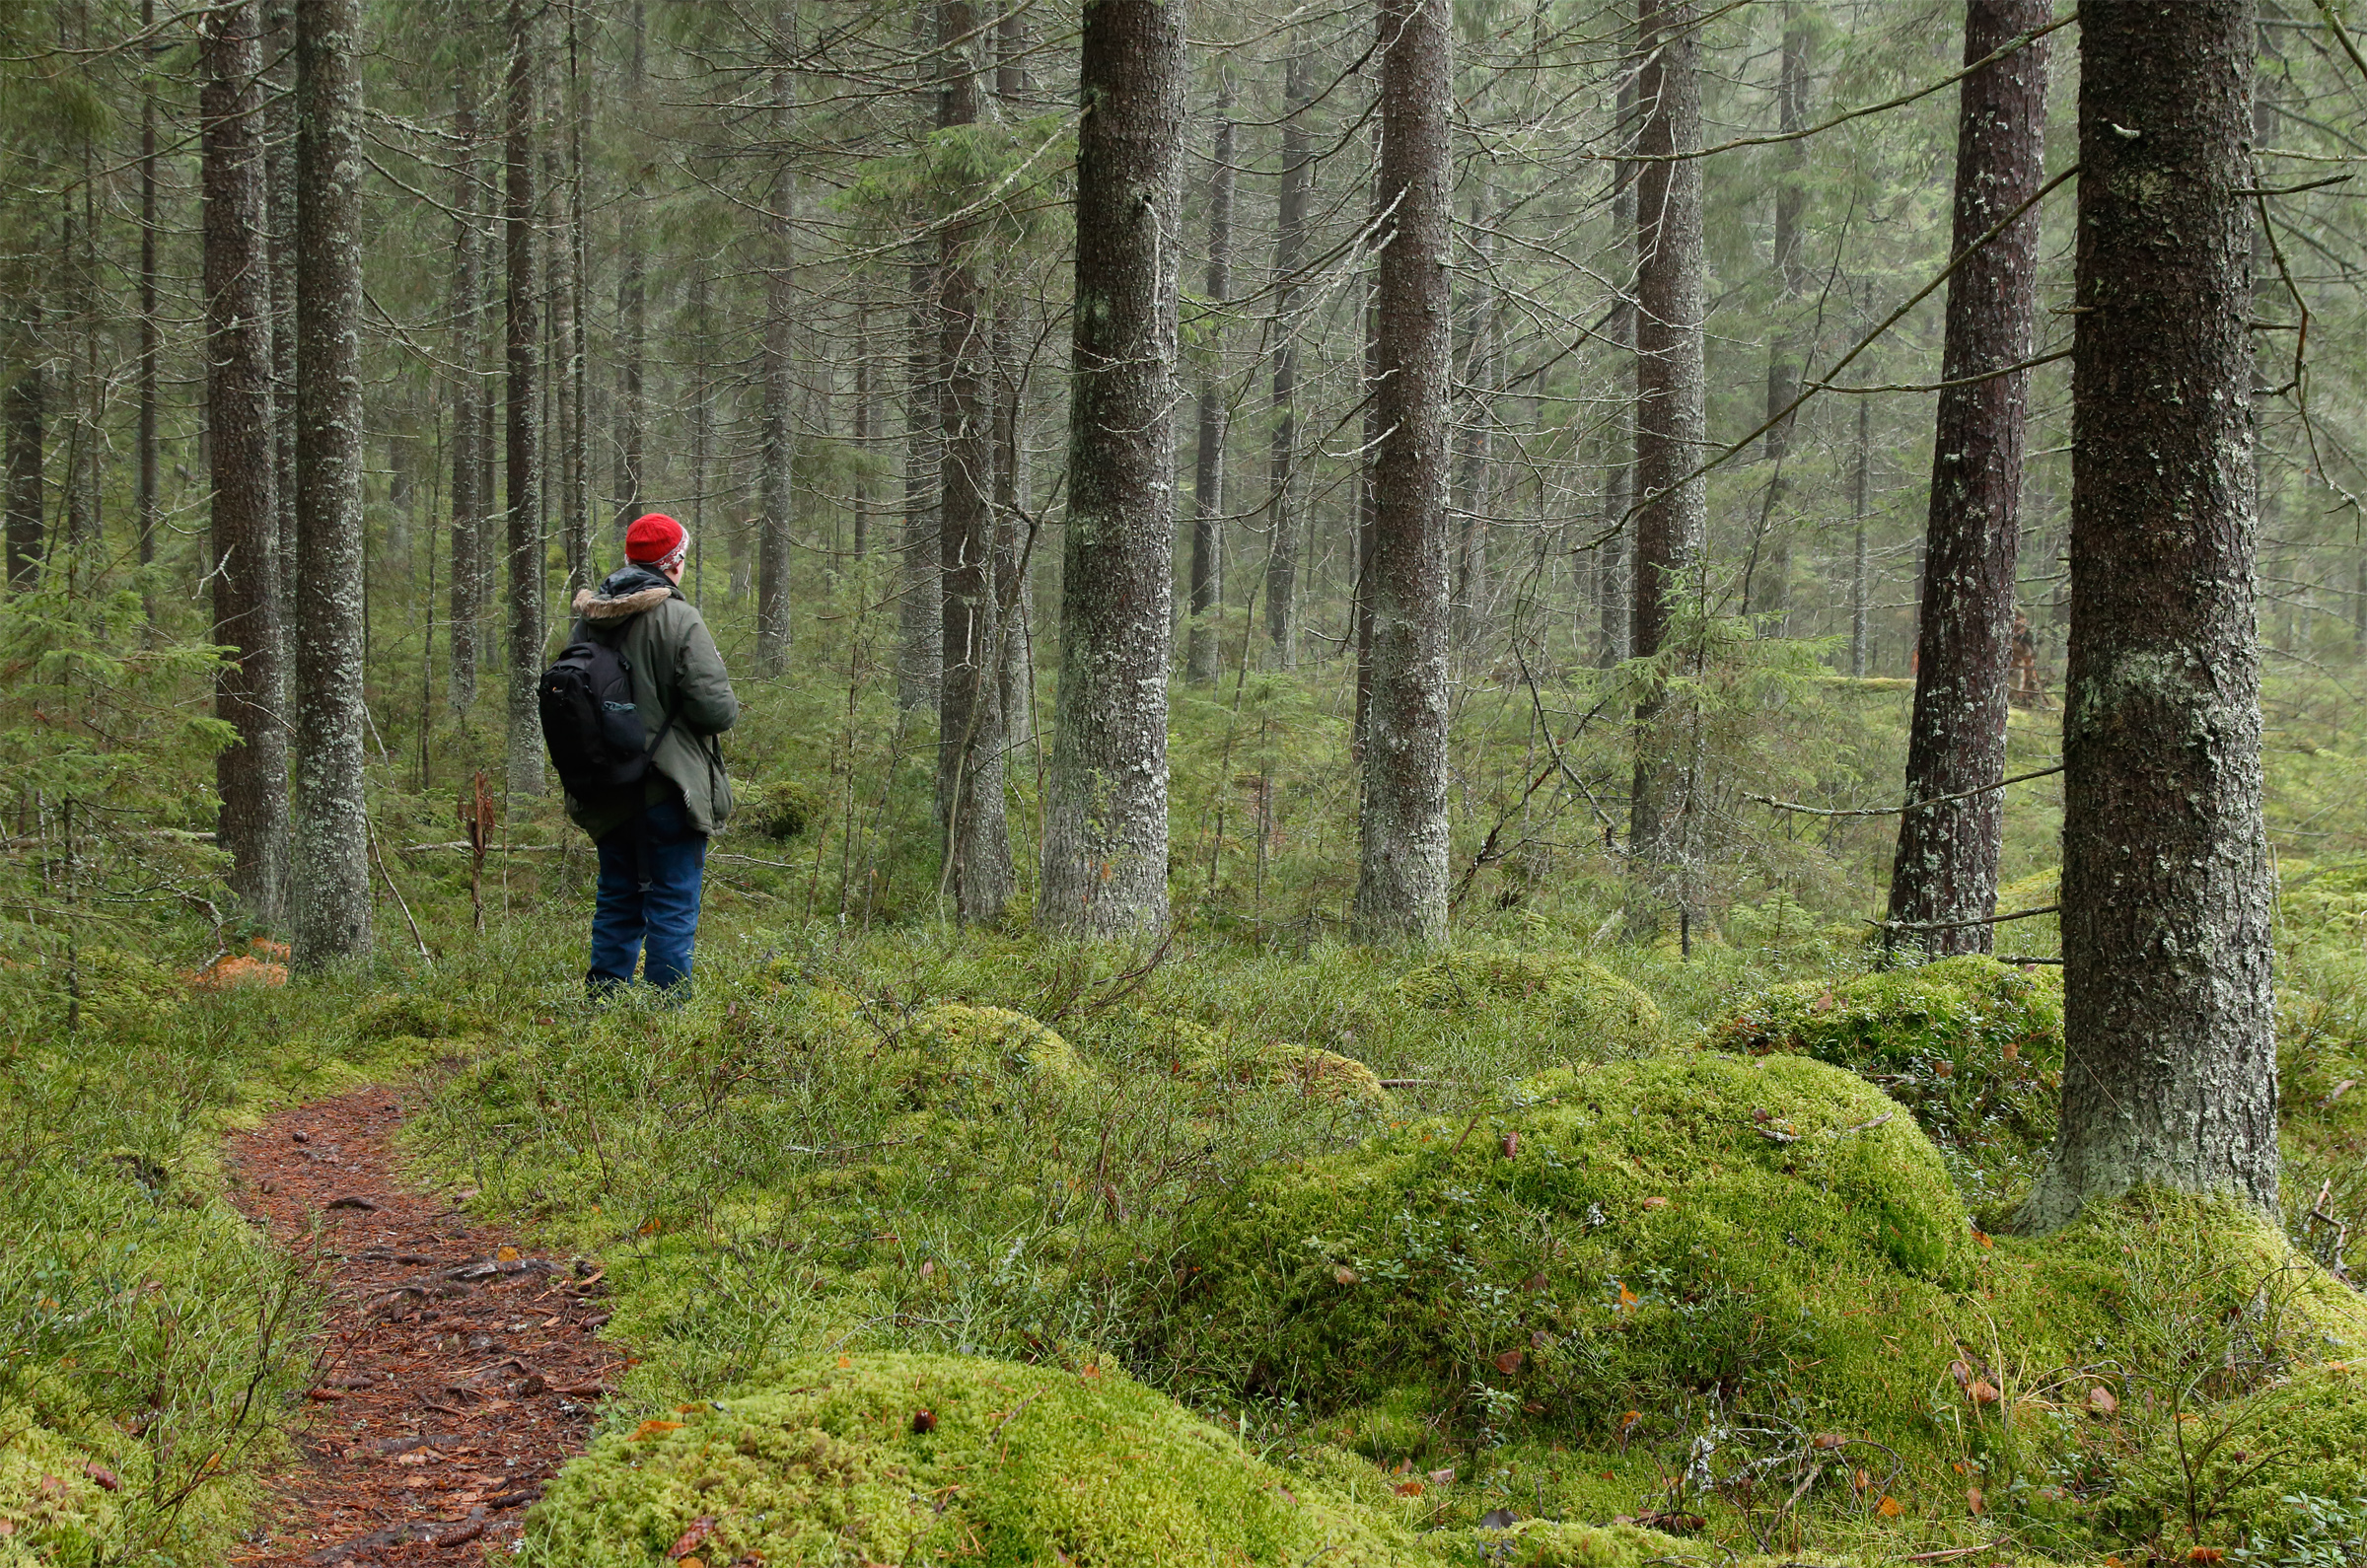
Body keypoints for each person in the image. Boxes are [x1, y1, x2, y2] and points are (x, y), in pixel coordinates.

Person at [566, 513, 738, 995]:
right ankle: (666, 1023)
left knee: (618, 898)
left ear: (628, 560)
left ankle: (602, 1008)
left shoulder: (587, 621)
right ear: (675, 563)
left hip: (606, 788)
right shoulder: (679, 619)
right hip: (670, 787)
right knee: (673, 902)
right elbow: (715, 711)